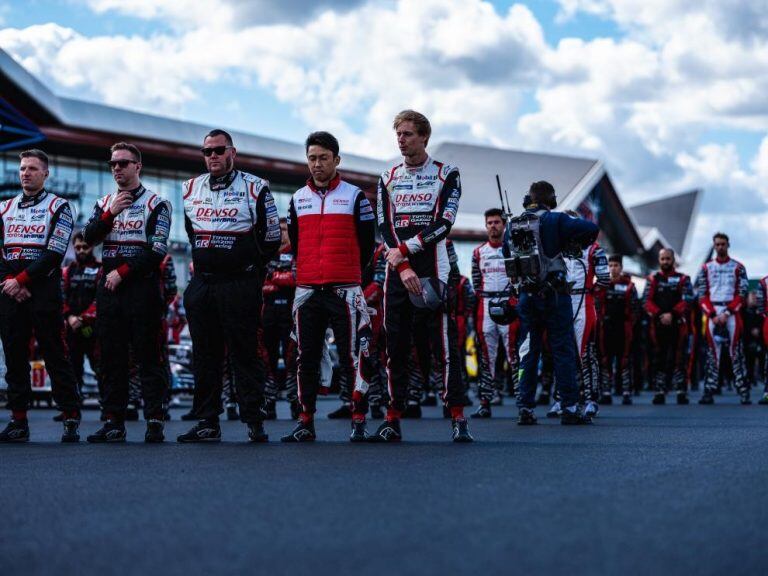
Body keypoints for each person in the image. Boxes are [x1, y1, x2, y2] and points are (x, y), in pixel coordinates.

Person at [375, 109, 473, 442]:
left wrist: (406, 251)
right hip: (398, 274)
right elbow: (384, 227)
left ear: (424, 137)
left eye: (407, 134)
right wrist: (401, 265)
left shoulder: (447, 174)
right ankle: (392, 417)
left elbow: (445, 223)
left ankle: (458, 417)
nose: (401, 140)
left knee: (445, 348)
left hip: (435, 269)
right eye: (398, 134)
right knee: (395, 347)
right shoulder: (387, 176)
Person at [178, 129, 280, 443]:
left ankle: (254, 421)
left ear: (231, 152)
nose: (212, 156)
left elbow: (272, 237)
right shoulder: (189, 188)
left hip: (240, 283)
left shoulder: (256, 186)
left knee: (245, 353)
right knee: (205, 355)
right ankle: (208, 421)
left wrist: (249, 265)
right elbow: (191, 232)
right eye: (207, 151)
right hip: (204, 284)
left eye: (218, 150)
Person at [282, 131, 375, 442]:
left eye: (323, 158)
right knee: (305, 357)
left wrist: (352, 276)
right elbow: (295, 243)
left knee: (352, 357)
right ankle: (305, 421)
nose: (317, 164)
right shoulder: (297, 199)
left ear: (337, 160)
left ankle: (358, 418)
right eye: (312, 158)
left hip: (345, 288)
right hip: (307, 289)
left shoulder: (355, 196)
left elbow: (367, 244)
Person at [83, 142, 172, 443]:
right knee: (111, 358)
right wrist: (110, 214)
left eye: (123, 163)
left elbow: (157, 249)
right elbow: (88, 238)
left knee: (149, 356)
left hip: (142, 289)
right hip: (110, 292)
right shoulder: (103, 202)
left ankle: (155, 419)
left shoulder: (157, 203)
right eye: (113, 164)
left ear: (138, 166)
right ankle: (113, 422)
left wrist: (122, 272)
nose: (117, 168)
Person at [0, 149, 81, 443]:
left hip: (44, 290)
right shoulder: (3, 208)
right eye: (22, 168)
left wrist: (20, 280)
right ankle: (18, 421)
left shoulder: (60, 206)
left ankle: (71, 416)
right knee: (15, 356)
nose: (26, 173)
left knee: (54, 353)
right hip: (9, 291)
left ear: (45, 174)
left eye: (33, 168)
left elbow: (55, 253)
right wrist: (9, 281)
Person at [508, 181, 599, 426]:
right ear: (552, 200)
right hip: (555, 295)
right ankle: (569, 407)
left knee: (528, 352)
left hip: (527, 296)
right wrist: (572, 244)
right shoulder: (556, 220)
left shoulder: (513, 224)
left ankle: (525, 407)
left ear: (528, 199)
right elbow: (591, 228)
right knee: (563, 350)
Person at [558, 215, 609, 418]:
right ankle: (562, 399)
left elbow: (604, 278)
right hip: (562, 301)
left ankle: (591, 399)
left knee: (586, 353)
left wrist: (590, 292)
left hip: (584, 302)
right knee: (561, 353)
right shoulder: (558, 247)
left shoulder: (594, 248)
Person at [471, 208, 517, 418]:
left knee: (513, 355)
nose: (493, 226)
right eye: (489, 222)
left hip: (509, 303)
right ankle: (484, 401)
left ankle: (523, 402)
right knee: (486, 356)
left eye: (497, 222)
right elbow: (476, 282)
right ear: (485, 225)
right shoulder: (478, 252)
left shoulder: (513, 249)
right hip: (487, 303)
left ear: (504, 224)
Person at [694, 232, 750, 404]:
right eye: (717, 244)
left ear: (728, 245)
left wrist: (727, 313)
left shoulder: (738, 267)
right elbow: (702, 295)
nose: (720, 247)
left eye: (723, 244)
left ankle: (743, 391)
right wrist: (712, 314)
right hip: (713, 312)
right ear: (714, 246)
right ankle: (709, 391)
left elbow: (742, 293)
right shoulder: (706, 268)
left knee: (736, 352)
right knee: (713, 354)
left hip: (731, 312)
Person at [644, 248, 694, 404]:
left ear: (673, 260)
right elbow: (646, 301)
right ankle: (660, 391)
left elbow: (688, 299)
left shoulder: (683, 279)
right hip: (658, 325)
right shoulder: (652, 279)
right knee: (659, 357)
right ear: (659, 260)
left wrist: (672, 314)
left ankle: (681, 391)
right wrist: (660, 314)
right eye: (662, 259)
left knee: (680, 357)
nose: (665, 261)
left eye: (668, 258)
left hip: (678, 324)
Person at [261, 220, 299, 420]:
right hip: (268, 314)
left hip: (290, 313)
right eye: (279, 230)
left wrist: (273, 277)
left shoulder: (296, 252)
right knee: (268, 360)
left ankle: (295, 403)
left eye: (284, 230)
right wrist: (277, 280)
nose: (281, 233)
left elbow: (295, 278)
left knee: (292, 360)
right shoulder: (265, 253)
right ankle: (269, 403)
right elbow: (261, 283)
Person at [61, 232, 102, 401]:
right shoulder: (68, 270)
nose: (81, 251)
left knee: (100, 366)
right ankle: (72, 406)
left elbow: (101, 299)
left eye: (85, 247)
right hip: (72, 327)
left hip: (94, 327)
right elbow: (61, 297)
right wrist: (70, 317)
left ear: (92, 246)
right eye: (77, 247)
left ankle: (107, 407)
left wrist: (83, 319)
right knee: (71, 367)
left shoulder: (101, 269)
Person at [596, 254, 639, 405]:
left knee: (625, 360)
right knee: (606, 359)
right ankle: (606, 392)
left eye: (616, 265)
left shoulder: (629, 285)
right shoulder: (602, 285)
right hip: (606, 327)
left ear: (621, 267)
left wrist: (630, 325)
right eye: (611, 265)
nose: (613, 268)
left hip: (624, 327)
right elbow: (597, 306)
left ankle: (627, 392)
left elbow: (635, 308)